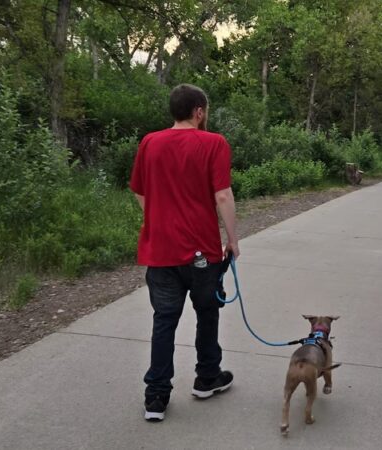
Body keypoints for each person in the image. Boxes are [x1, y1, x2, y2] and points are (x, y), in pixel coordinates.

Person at [129, 84, 240, 422]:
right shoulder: (213, 143)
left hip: (160, 250)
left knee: (164, 320)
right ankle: (207, 377)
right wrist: (232, 240)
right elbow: (222, 195)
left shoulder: (150, 142)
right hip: (201, 250)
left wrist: (159, 219)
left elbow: (139, 192)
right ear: (199, 111)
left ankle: (156, 397)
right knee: (207, 312)